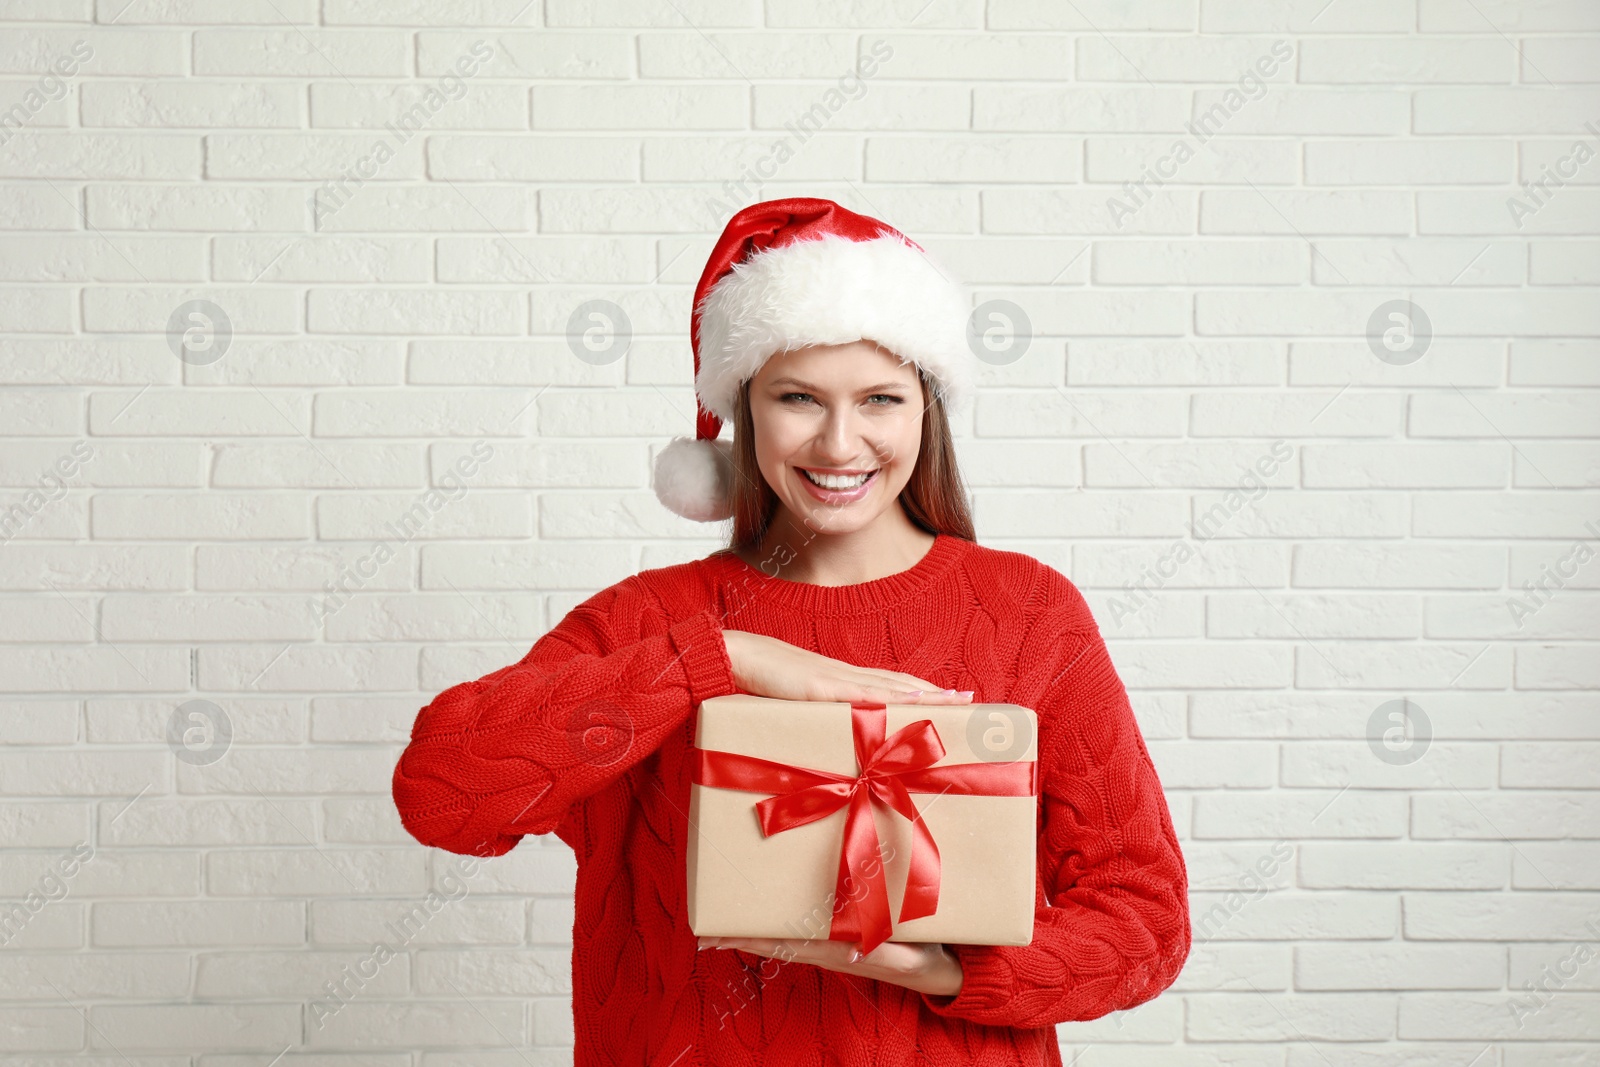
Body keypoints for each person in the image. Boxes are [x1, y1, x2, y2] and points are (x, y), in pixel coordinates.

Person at [391, 198, 1191, 1065]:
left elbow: (1145, 913)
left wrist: (948, 972)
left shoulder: (1030, 612)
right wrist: (720, 659)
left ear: (927, 409)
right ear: (745, 408)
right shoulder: (649, 623)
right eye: (799, 398)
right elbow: (440, 793)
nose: (841, 443)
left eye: (879, 399)